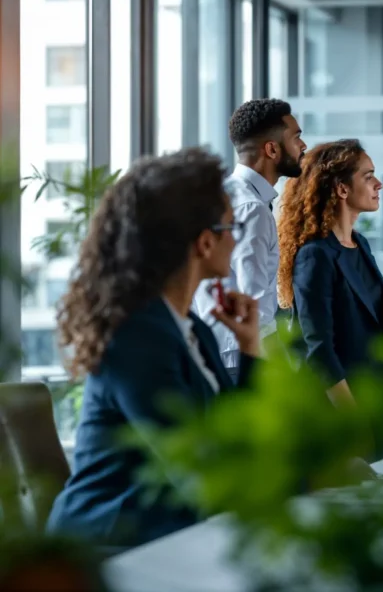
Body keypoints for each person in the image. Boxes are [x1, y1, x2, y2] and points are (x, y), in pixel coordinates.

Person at [47, 149, 262, 547]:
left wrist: (250, 347)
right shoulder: (137, 336)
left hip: (169, 536)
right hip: (109, 548)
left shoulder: (190, 326)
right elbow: (200, 469)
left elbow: (237, 433)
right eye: (233, 227)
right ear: (204, 241)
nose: (236, 240)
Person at [277, 140, 383, 460]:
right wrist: (354, 421)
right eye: (368, 176)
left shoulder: (360, 245)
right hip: (345, 420)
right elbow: (319, 349)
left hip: (377, 412)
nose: (378, 184)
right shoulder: (315, 256)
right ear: (342, 189)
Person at [193, 98, 306, 376]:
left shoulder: (229, 195)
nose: (303, 146)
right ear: (271, 149)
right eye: (296, 138)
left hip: (222, 352)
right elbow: (254, 304)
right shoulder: (251, 209)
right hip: (244, 358)